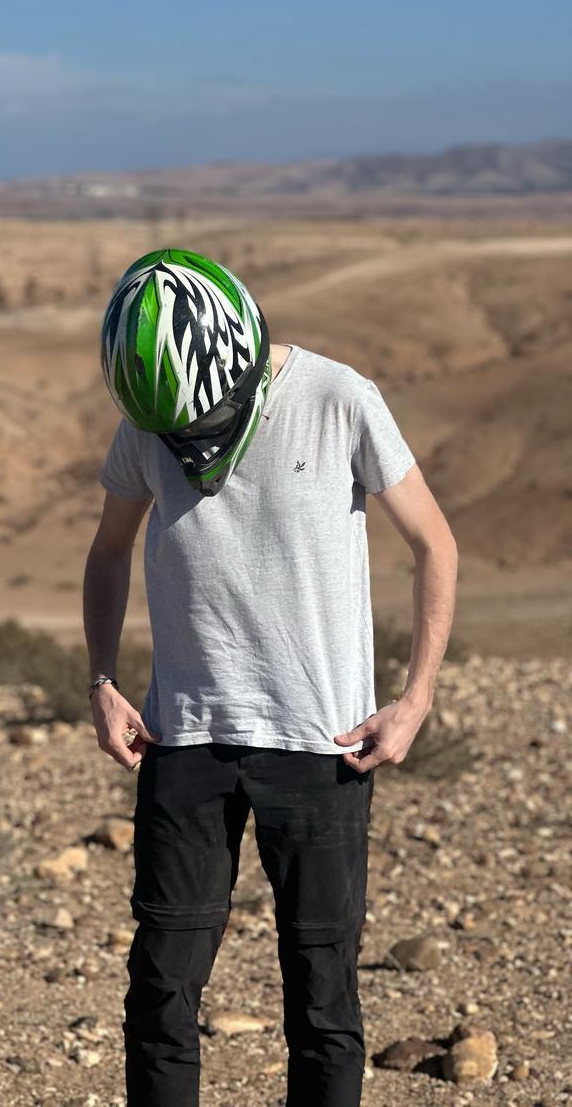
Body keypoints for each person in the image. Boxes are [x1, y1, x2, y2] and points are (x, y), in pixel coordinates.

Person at [83, 249, 458, 1107]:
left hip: (323, 745)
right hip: (184, 739)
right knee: (159, 994)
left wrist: (415, 700)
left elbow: (435, 544)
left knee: (323, 1001)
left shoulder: (340, 399)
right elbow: (106, 552)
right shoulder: (147, 419)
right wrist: (101, 680)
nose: (188, 444)